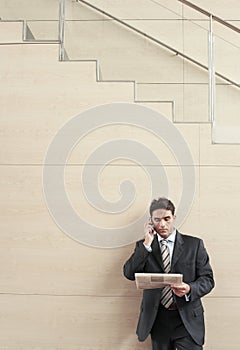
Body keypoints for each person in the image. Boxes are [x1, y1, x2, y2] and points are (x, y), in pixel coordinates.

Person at [123, 197, 214, 350]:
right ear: (151, 221)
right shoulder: (144, 246)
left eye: (167, 218)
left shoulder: (194, 245)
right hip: (158, 318)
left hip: (187, 318)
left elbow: (208, 280)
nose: (162, 224)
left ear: (174, 218)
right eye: (157, 220)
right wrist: (146, 243)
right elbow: (129, 273)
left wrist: (189, 289)